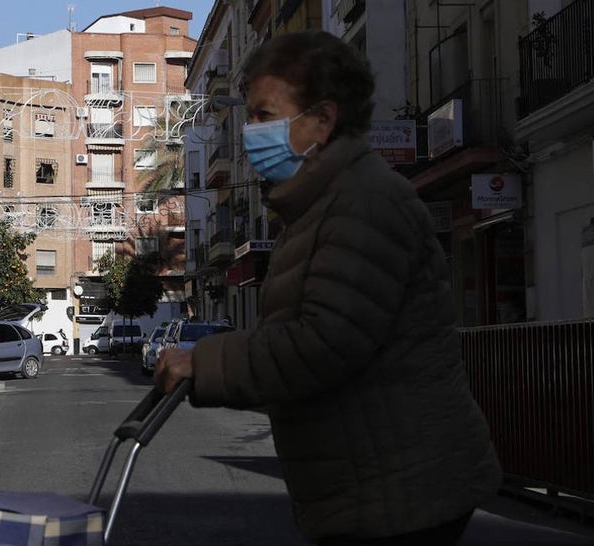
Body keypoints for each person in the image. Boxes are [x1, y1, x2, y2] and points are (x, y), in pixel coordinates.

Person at [155, 31, 501, 546]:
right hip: (372, 486)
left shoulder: (364, 203)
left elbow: (322, 344)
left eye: (265, 115)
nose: (251, 132)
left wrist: (205, 363)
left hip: (400, 492)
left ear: (322, 119)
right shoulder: (319, 206)